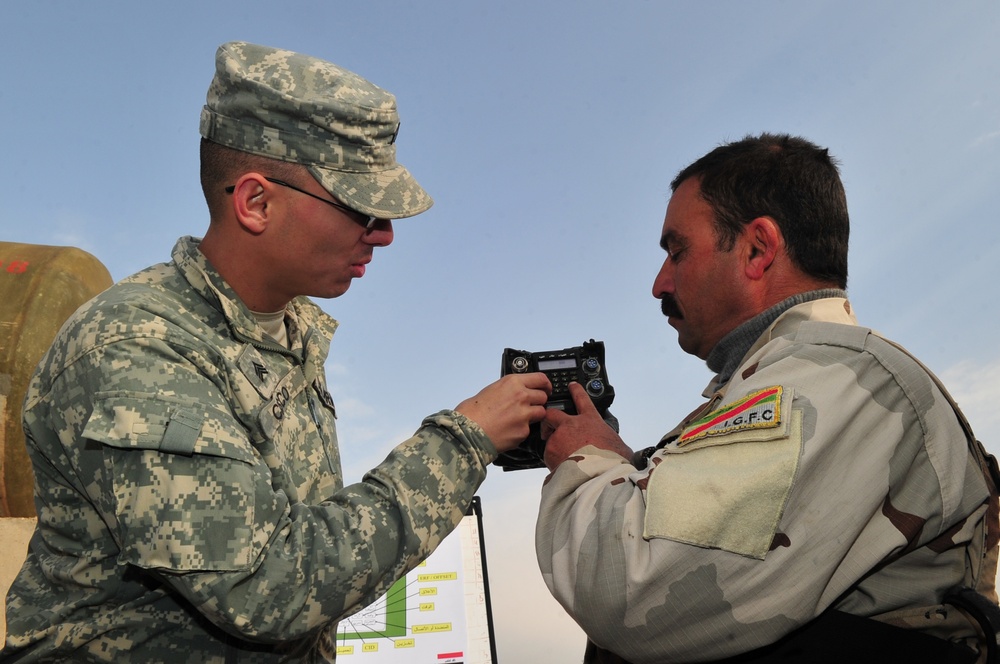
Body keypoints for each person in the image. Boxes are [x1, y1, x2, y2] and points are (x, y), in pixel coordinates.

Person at [1, 41, 551, 662]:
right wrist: (465, 439)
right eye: (362, 209)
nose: (386, 234)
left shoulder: (286, 336)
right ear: (256, 203)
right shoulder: (138, 347)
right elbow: (264, 585)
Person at [535, 133, 1000, 663]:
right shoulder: (795, 382)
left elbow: (628, 589)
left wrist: (587, 459)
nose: (660, 283)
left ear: (757, 249)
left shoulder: (835, 379)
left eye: (676, 250)